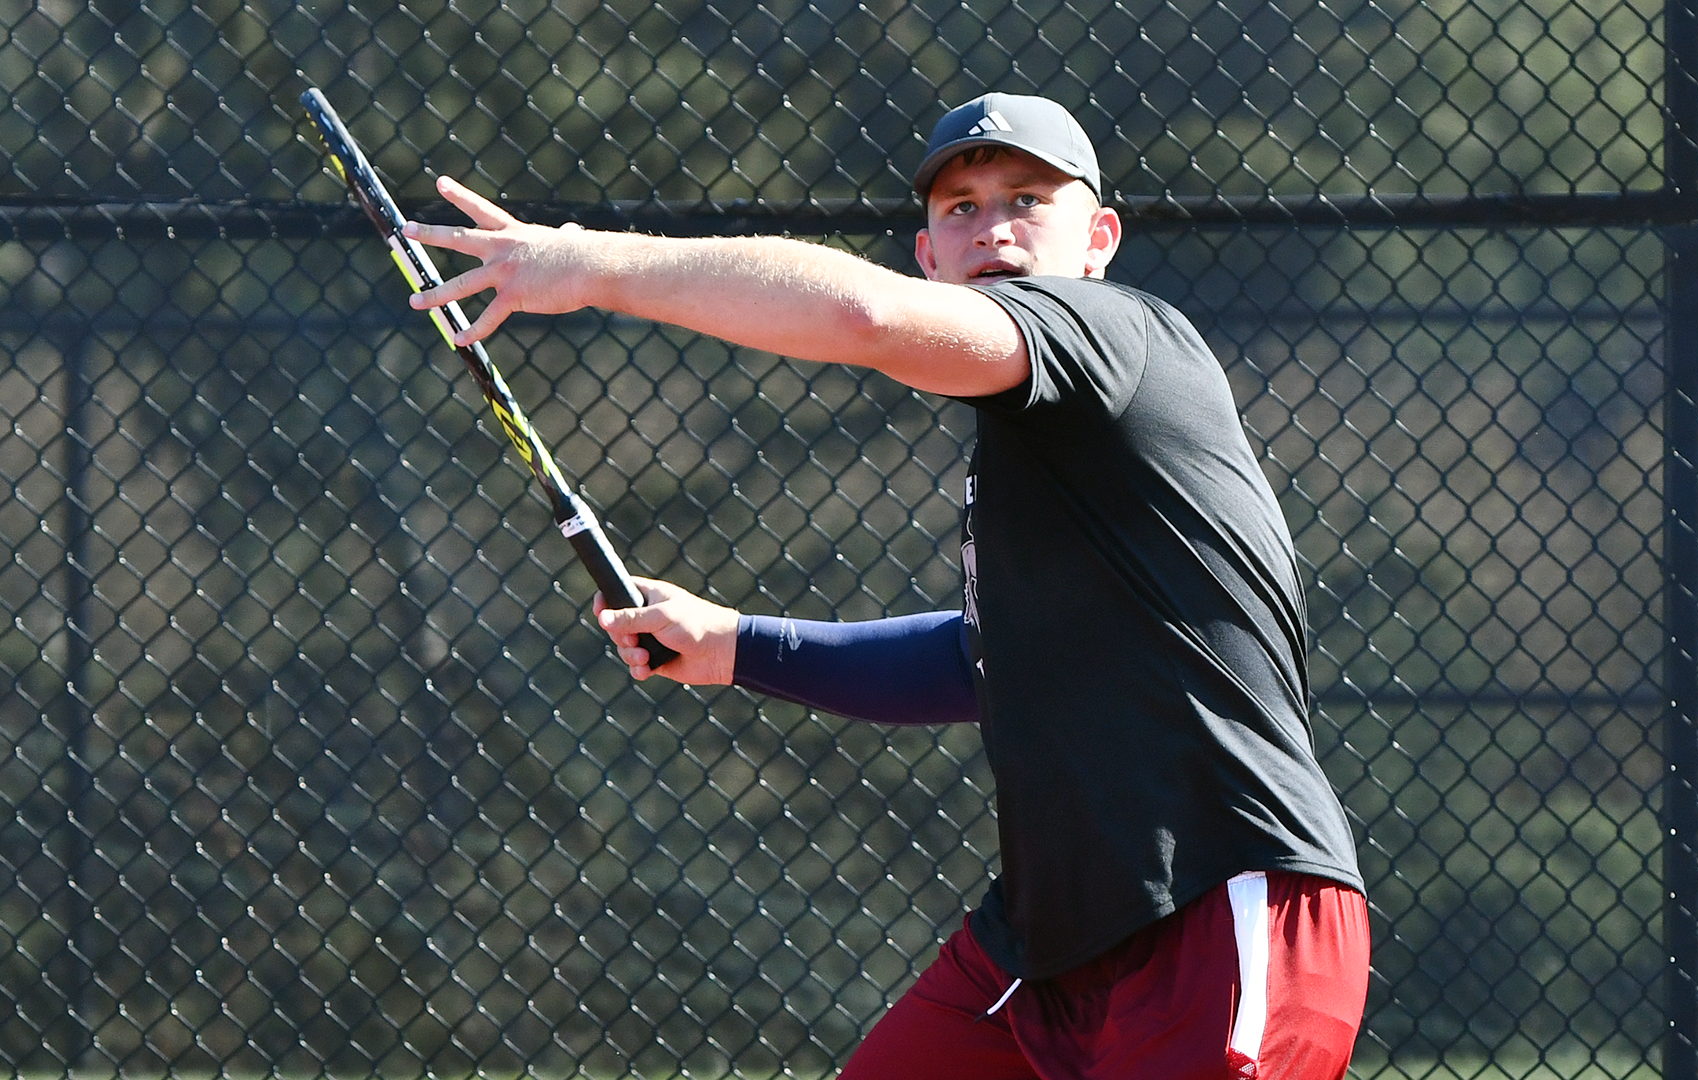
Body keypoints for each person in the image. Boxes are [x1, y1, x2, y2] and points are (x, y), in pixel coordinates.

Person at [404, 92, 1370, 1080]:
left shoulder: (1116, 335)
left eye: (1028, 198)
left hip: (1222, 904)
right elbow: (986, 656)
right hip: (1043, 947)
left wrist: (601, 264)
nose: (993, 225)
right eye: (962, 208)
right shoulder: (1041, 445)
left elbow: (861, 315)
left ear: (1099, 239)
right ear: (931, 254)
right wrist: (735, 643)